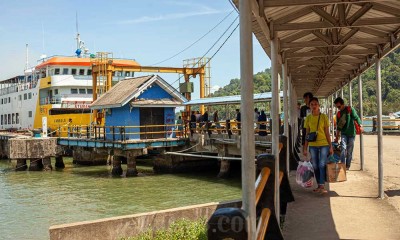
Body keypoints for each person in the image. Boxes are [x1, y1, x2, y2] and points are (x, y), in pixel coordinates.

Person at [303, 97, 333, 194]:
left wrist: (331, 146)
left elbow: (327, 133)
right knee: (315, 165)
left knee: (321, 164)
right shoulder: (308, 118)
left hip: (324, 144)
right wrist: (305, 148)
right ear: (309, 106)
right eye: (312, 104)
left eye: (316, 104)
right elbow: (307, 134)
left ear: (319, 106)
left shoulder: (324, 117)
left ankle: (322, 185)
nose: (314, 106)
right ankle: (319, 185)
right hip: (312, 145)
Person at [334, 97, 363, 170]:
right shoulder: (339, 114)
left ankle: (347, 166)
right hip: (344, 133)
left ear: (343, 104)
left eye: (339, 106)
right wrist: (337, 137)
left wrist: (360, 125)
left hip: (351, 133)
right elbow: (339, 127)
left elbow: (356, 117)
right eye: (337, 107)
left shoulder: (350, 109)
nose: (338, 108)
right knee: (343, 148)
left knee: (350, 151)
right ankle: (343, 165)